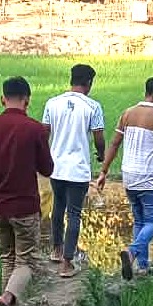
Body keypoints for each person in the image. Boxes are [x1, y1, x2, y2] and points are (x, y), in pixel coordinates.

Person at [0, 76, 54, 306]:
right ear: (27, 100)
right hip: (24, 207)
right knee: (27, 260)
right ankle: (7, 298)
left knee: (7, 259)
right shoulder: (34, 129)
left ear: (2, 99)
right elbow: (47, 168)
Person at [96, 76, 153, 280]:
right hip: (148, 178)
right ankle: (132, 252)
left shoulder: (127, 113)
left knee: (140, 220)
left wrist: (103, 171)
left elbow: (114, 144)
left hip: (128, 176)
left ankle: (143, 266)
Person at [42, 63, 105, 278]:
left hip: (56, 167)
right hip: (78, 169)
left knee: (58, 208)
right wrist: (101, 154)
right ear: (89, 83)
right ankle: (67, 263)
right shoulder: (93, 107)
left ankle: (56, 250)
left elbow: (45, 133)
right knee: (74, 213)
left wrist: (45, 156)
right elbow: (98, 137)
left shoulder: (52, 103)